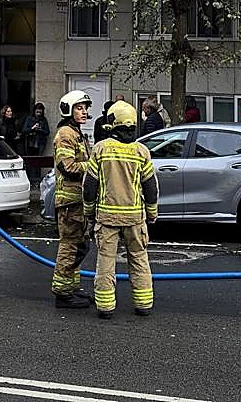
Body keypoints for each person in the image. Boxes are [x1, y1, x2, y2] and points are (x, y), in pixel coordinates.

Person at [84, 100, 158, 319]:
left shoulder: (101, 149)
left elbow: (89, 186)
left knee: (106, 261)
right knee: (139, 258)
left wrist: (89, 211)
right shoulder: (141, 151)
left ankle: (105, 307)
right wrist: (152, 212)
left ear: (111, 123)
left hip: (107, 218)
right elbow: (150, 186)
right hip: (135, 218)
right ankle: (143, 305)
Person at [51, 90, 95, 309]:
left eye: (85, 107)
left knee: (80, 246)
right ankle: (62, 294)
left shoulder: (77, 133)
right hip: (69, 204)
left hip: (78, 202)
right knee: (70, 247)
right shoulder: (66, 134)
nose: (84, 111)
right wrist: (94, 166)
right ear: (68, 109)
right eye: (79, 108)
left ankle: (71, 288)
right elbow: (67, 167)